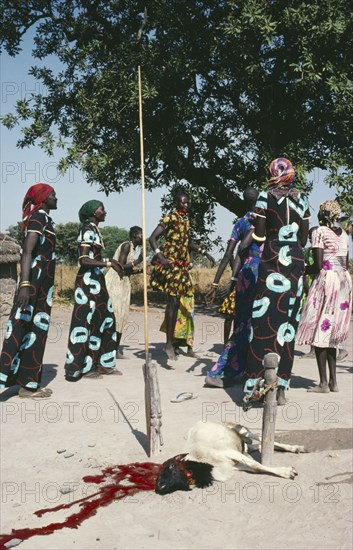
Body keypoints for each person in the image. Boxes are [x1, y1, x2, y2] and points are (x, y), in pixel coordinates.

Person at [244, 158, 310, 405]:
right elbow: (303, 239)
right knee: (287, 326)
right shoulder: (301, 198)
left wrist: (259, 226)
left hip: (272, 262)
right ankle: (281, 388)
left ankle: (257, 386)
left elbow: (260, 236)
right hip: (294, 264)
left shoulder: (264, 197)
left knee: (264, 324)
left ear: (273, 172)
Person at [0, 183, 58, 398]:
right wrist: (24, 285)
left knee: (36, 332)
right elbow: (27, 252)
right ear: (43, 198)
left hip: (43, 285)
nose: (56, 198)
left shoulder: (45, 219)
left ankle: (28, 384)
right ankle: (5, 377)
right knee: (20, 328)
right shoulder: (38, 218)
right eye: (53, 195)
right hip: (33, 283)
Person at [204, 187, 261, 388]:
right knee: (255, 326)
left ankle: (238, 369)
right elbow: (239, 250)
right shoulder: (269, 222)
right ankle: (227, 371)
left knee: (243, 325)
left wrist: (221, 281)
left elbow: (231, 253)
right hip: (265, 277)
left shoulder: (241, 223)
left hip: (246, 277)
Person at [149, 190, 214, 361]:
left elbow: (188, 242)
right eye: (183, 202)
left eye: (187, 203)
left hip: (182, 268)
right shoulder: (169, 218)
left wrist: (205, 252)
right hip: (171, 266)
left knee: (180, 303)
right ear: (176, 203)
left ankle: (175, 342)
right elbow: (152, 238)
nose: (186, 205)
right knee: (172, 302)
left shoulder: (186, 220)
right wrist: (160, 256)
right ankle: (168, 343)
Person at [296, 201, 352, 392]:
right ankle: (334, 382)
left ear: (322, 215)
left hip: (327, 281)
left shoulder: (319, 231)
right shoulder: (344, 234)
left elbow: (319, 264)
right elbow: (344, 260)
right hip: (344, 280)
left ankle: (322, 383)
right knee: (332, 333)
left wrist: (301, 269)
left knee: (320, 330)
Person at [64, 200, 123, 381]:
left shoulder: (95, 230)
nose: (105, 211)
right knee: (85, 323)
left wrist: (108, 263)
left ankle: (104, 364)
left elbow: (93, 256)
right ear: (93, 213)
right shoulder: (87, 230)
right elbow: (83, 260)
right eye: (101, 209)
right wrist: (108, 263)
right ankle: (80, 368)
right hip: (87, 283)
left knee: (106, 320)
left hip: (98, 282)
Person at [105, 226, 143, 359]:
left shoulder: (133, 249)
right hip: (115, 282)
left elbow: (128, 270)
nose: (143, 238)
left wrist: (141, 270)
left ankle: (114, 349)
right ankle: (107, 349)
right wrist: (138, 262)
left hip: (124, 284)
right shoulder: (126, 246)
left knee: (122, 316)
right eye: (140, 235)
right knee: (115, 314)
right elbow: (120, 267)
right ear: (134, 235)